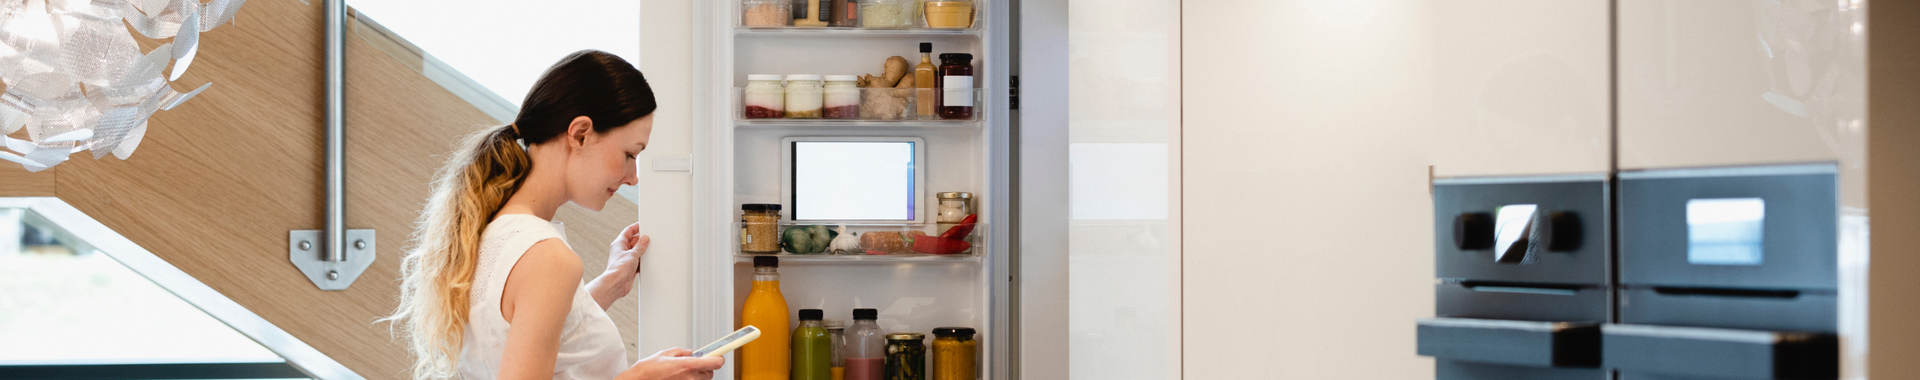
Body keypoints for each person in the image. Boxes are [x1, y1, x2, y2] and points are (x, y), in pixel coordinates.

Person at [382, 50, 722, 380]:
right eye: (629, 154)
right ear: (580, 133)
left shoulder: (494, 229)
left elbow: (520, 332)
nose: (633, 176)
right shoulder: (549, 258)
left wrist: (610, 284)